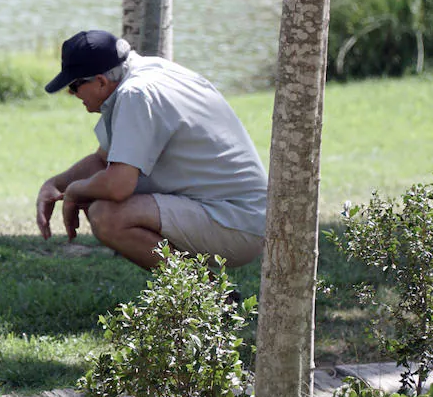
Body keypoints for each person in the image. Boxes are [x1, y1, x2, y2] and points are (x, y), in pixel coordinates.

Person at [36, 29, 267, 271]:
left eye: (73, 86)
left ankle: (208, 300)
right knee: (107, 209)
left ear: (101, 81)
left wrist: (74, 192)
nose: (71, 94)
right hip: (242, 215)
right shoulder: (149, 71)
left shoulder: (135, 94)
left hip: (236, 221)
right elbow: (102, 160)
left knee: (108, 217)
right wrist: (56, 185)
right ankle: (209, 298)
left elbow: (117, 185)